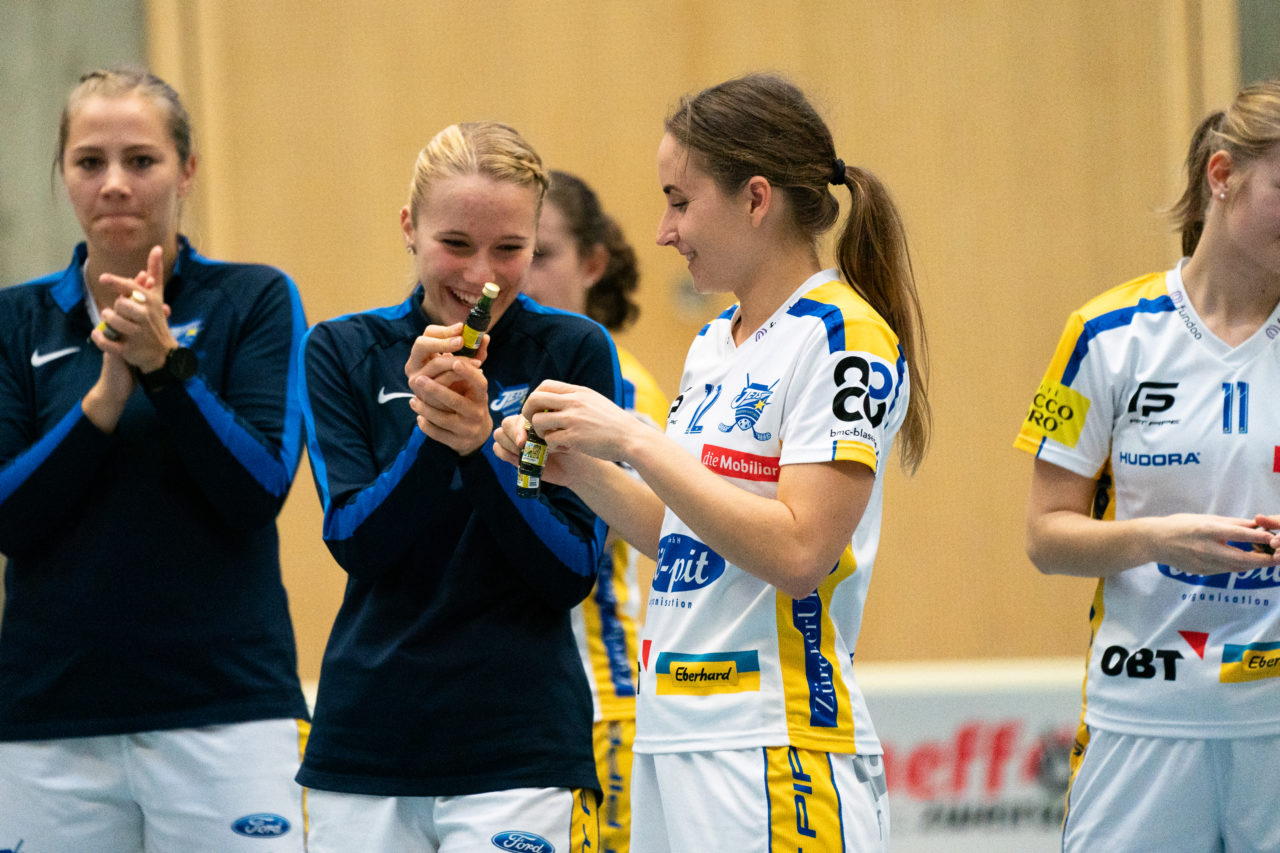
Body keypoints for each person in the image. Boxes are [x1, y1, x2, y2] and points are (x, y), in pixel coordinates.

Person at [494, 73, 931, 853]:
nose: (664, 230)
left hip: (775, 738)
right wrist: (578, 471)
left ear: (756, 199)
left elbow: (800, 551)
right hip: (673, 731)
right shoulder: (714, 342)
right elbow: (684, 537)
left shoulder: (843, 337)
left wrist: (633, 439)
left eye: (679, 200)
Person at [0, 66, 309, 852]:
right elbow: (10, 516)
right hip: (52, 720)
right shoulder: (16, 319)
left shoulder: (254, 300)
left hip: (226, 710)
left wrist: (167, 369)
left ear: (187, 171)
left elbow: (257, 490)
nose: (114, 184)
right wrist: (104, 398)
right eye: (89, 161)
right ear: (63, 174)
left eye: (141, 160)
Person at [296, 122, 618, 852]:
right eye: (456, 244)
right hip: (367, 745)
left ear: (536, 241)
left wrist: (481, 450)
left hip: (521, 746)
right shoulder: (343, 349)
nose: (482, 276)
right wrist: (432, 428)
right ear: (410, 227)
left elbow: (568, 569)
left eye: (510, 248)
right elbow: (356, 541)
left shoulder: (572, 351)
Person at [1017, 80, 1280, 853]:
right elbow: (1045, 536)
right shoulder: (1105, 335)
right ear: (1223, 175)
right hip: (1143, 720)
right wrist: (1160, 538)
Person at [524, 169, 668, 853]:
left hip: (600, 707)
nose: (520, 274)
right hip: (506, 708)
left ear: (593, 263)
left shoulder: (621, 386)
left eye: (541, 254)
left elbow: (660, 532)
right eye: (508, 252)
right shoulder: (482, 371)